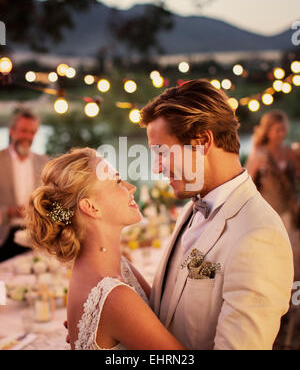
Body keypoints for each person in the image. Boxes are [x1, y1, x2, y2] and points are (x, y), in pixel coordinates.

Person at [140, 80, 293, 350]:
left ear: (202, 142)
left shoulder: (259, 236)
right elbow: (169, 307)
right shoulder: (193, 206)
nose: (157, 168)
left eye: (163, 153)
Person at [26, 148, 185, 350]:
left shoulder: (119, 267)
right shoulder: (114, 296)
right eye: (117, 181)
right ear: (91, 207)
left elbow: (161, 319)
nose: (130, 187)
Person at [246, 110, 300, 280]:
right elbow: (248, 184)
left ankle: (291, 293)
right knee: (272, 254)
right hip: (268, 213)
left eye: (284, 129)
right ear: (268, 130)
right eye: (277, 130)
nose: (282, 134)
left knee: (291, 254)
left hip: (288, 211)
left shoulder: (289, 151)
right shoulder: (259, 154)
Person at [0, 108, 49, 262]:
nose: (28, 136)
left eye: (32, 132)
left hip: (36, 236)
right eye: (23, 131)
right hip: (4, 235)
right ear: (12, 131)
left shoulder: (44, 162)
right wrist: (9, 211)